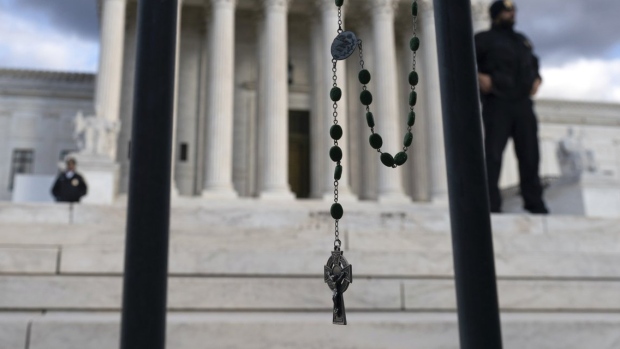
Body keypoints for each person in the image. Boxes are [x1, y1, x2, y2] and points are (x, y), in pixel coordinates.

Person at [475, 0, 549, 214]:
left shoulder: (521, 40)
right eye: (507, 11)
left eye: (513, 10)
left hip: (523, 103)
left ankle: (535, 203)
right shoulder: (483, 40)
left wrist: (537, 79)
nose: (512, 14)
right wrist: (480, 77)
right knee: (493, 155)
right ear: (496, 14)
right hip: (497, 102)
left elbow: (533, 63)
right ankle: (490, 204)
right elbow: (466, 62)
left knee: (530, 155)